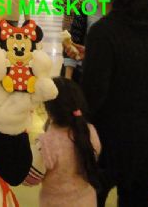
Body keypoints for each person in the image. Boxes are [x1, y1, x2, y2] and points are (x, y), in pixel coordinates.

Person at [81, 0, 148, 207]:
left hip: (113, 136)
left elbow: (94, 92)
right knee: (136, 201)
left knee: (93, 198)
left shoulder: (104, 31)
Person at [26, 77, 101, 207]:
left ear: (48, 109)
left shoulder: (45, 144)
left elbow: (30, 179)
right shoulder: (90, 131)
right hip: (88, 201)